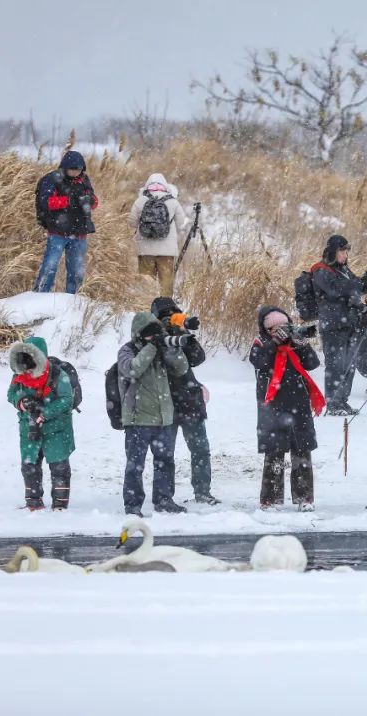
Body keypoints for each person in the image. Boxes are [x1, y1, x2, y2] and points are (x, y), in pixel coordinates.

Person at [249, 306, 326, 511]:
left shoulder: (294, 344)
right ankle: (270, 499)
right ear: (267, 330)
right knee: (274, 453)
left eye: (284, 327)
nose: (281, 331)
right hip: (272, 406)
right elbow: (259, 361)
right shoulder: (261, 343)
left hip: (298, 404)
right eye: (275, 328)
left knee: (302, 451)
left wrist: (302, 344)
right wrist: (275, 343)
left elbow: (312, 363)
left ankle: (304, 498)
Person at [117, 311, 190, 516]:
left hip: (163, 418)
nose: (153, 338)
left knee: (165, 462)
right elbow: (132, 369)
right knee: (135, 465)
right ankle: (132, 505)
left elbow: (182, 368)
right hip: (137, 418)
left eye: (155, 334)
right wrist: (151, 347)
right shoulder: (127, 350)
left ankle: (164, 499)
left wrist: (172, 348)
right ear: (139, 334)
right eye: (150, 334)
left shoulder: (159, 350)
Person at [150, 297, 218, 505]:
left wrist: (183, 332)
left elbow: (198, 358)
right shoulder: (151, 337)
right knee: (165, 453)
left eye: (173, 314)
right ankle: (164, 496)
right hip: (165, 403)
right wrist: (163, 335)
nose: (170, 319)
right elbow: (152, 359)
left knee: (200, 449)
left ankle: (202, 491)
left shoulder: (181, 333)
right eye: (165, 316)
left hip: (189, 400)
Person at [7, 337, 75, 510]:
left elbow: (67, 399)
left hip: (57, 429)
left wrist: (45, 412)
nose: (27, 372)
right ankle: (33, 503)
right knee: (30, 467)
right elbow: (11, 394)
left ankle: (60, 505)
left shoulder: (59, 375)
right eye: (24, 369)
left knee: (59, 467)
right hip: (29, 427)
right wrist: (22, 402)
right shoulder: (18, 376)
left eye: (30, 368)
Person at [311, 234, 366, 416]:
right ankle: (333, 403)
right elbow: (337, 289)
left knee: (349, 364)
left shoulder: (345, 271)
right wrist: (358, 285)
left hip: (349, 323)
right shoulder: (320, 270)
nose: (345, 255)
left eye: (346, 252)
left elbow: (355, 287)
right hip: (332, 325)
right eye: (342, 251)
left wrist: (365, 283)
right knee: (335, 364)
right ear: (333, 252)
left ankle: (342, 400)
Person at [33, 150, 99, 294]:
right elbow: (45, 202)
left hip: (80, 232)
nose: (76, 172)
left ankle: (73, 299)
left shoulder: (84, 180)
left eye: (79, 169)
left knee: (77, 272)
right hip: (57, 232)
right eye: (73, 169)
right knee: (50, 267)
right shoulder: (53, 179)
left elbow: (94, 202)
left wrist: (90, 200)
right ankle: (39, 296)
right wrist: (68, 201)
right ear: (65, 167)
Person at [129, 174, 189, 297]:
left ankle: (147, 305)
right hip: (167, 251)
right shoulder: (172, 201)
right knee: (166, 282)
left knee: (146, 282)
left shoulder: (141, 200)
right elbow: (181, 222)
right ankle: (166, 306)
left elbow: (131, 222)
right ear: (165, 185)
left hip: (146, 249)